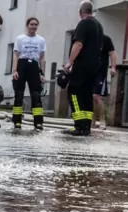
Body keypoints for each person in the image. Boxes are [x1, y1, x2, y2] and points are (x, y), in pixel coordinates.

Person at [64, 1, 103, 136]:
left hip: (82, 65)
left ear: (80, 12)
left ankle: (79, 126)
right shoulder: (98, 25)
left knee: (74, 92)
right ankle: (86, 126)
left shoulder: (84, 23)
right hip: (94, 66)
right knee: (87, 95)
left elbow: (79, 44)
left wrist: (69, 62)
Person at [11, 17, 46, 130]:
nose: (34, 26)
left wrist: (42, 73)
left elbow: (41, 58)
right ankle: (17, 121)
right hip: (22, 64)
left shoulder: (41, 40)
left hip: (34, 66)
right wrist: (15, 70)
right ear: (27, 25)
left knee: (36, 95)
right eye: (32, 24)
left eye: (36, 24)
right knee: (19, 95)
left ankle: (38, 122)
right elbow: (16, 55)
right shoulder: (20, 39)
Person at [92, 34, 116, 129]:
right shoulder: (88, 39)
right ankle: (92, 121)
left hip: (100, 72)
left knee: (97, 96)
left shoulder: (105, 39)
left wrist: (113, 67)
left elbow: (112, 53)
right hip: (89, 71)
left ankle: (102, 121)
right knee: (91, 97)